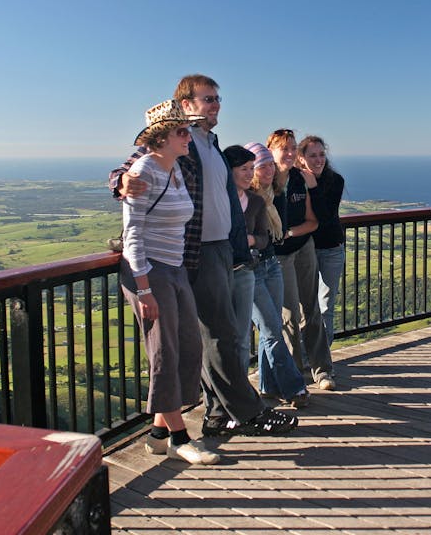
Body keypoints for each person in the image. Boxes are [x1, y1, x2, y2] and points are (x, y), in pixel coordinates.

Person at [110, 75, 297, 437]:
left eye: (217, 98)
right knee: (221, 335)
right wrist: (119, 182)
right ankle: (245, 412)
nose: (216, 104)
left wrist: (237, 249)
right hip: (200, 251)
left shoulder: (210, 143)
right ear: (186, 104)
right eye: (207, 99)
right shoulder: (182, 141)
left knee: (211, 338)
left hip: (222, 249)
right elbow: (131, 165)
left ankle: (204, 418)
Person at [119, 99, 219, 465]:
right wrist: (144, 289)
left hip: (175, 268)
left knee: (189, 347)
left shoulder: (176, 168)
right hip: (150, 272)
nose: (188, 136)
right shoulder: (144, 172)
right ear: (160, 138)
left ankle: (158, 433)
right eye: (181, 131)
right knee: (165, 352)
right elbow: (132, 235)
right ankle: (179, 438)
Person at [267, 129, 336, 391]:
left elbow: (312, 221)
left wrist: (289, 232)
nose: (289, 153)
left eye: (293, 148)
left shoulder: (299, 179)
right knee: (289, 316)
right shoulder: (264, 179)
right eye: (284, 148)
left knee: (311, 309)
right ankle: (294, 377)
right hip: (278, 256)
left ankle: (322, 370)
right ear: (270, 150)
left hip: (302, 247)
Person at [243, 142, 310, 408]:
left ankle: (268, 387)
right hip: (250, 270)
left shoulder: (274, 194)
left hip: (272, 264)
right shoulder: (244, 199)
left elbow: (271, 238)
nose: (268, 169)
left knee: (270, 329)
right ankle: (294, 387)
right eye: (261, 166)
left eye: (270, 164)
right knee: (272, 329)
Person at [297, 135, 345, 345]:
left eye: (322, 155)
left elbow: (325, 218)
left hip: (331, 249)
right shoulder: (294, 181)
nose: (319, 160)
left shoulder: (335, 181)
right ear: (301, 158)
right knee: (302, 307)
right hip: (303, 250)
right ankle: (304, 359)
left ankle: (323, 360)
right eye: (312, 155)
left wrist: (313, 187)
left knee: (325, 306)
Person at [223, 145, 257, 376]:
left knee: (243, 337)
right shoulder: (218, 200)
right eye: (243, 168)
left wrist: (251, 240)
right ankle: (218, 400)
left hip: (244, 270)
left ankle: (242, 394)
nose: (250, 174)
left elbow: (265, 237)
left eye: (252, 168)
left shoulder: (255, 201)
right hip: (219, 271)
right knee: (221, 338)